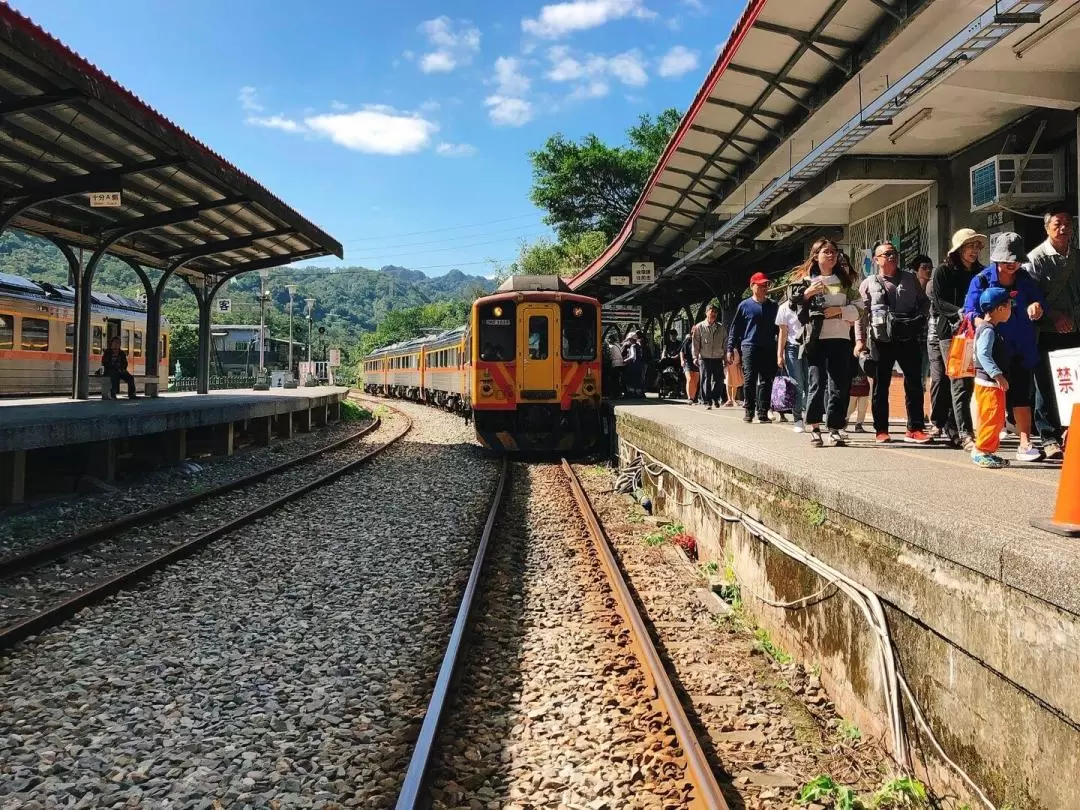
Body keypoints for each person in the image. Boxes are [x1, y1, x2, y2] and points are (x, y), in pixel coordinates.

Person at [963, 232, 1047, 462]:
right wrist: (983, 324)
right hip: (995, 350)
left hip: (1021, 345)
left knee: (1021, 394)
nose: (1012, 265)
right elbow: (968, 311)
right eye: (1007, 260)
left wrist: (1036, 306)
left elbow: (1038, 301)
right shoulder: (980, 280)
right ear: (997, 259)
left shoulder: (1026, 279)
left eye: (1016, 260)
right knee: (990, 402)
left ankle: (1025, 442)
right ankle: (983, 446)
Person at [855, 240, 931, 444]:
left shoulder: (910, 278)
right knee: (881, 385)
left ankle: (915, 428)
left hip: (908, 337)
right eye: (886, 254)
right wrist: (860, 341)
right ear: (876, 260)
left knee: (914, 382)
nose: (891, 257)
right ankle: (881, 429)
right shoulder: (868, 283)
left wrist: (921, 318)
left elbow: (924, 302)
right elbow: (860, 315)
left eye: (893, 253)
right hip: (881, 339)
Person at [789, 239, 861, 447]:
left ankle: (835, 428)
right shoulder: (805, 280)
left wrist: (840, 311)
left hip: (840, 337)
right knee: (816, 383)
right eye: (826, 252)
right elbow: (794, 308)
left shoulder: (845, 282)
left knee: (838, 384)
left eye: (834, 252)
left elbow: (860, 308)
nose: (831, 255)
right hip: (815, 338)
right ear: (816, 256)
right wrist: (807, 293)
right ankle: (814, 426)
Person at [1027, 209, 1080, 460]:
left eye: (1068, 223)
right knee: (1047, 383)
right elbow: (1031, 297)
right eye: (1058, 224)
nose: (1064, 228)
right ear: (1047, 228)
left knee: (1075, 383)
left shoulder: (1077, 256)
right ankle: (1048, 436)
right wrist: (1054, 316)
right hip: (1047, 331)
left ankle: (1073, 432)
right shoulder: (1036, 258)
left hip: (1076, 329)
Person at [930, 230, 985, 451]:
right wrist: (961, 312)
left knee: (970, 382)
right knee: (959, 381)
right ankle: (965, 434)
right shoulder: (943, 271)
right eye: (970, 246)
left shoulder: (982, 273)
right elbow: (939, 302)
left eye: (977, 246)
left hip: (978, 331)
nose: (974, 250)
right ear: (959, 248)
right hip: (952, 333)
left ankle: (953, 427)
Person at [971, 287, 1015, 469]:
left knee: (995, 418)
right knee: (991, 417)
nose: (1011, 308)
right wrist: (998, 375)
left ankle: (987, 450)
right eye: (1009, 305)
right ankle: (981, 451)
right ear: (999, 309)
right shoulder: (988, 330)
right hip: (989, 384)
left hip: (988, 383)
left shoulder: (987, 328)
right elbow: (983, 355)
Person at [727, 272, 779, 423]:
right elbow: (735, 329)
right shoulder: (744, 305)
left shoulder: (773, 306)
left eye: (766, 285)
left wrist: (781, 347)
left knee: (766, 380)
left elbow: (779, 328)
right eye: (761, 285)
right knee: (750, 379)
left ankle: (763, 411)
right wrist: (730, 348)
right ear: (752, 286)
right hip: (750, 346)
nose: (764, 288)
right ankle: (749, 410)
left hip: (768, 346)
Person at [775, 294, 806, 432]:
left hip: (811, 346)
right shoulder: (784, 307)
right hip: (793, 347)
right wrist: (779, 354)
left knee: (811, 384)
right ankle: (798, 419)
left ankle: (811, 416)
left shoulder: (811, 303)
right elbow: (783, 332)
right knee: (797, 383)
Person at [693, 304, 728, 409]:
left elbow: (725, 342)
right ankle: (707, 400)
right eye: (711, 311)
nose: (713, 314)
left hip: (718, 357)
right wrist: (695, 356)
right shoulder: (699, 327)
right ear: (706, 312)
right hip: (704, 357)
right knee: (705, 379)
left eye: (715, 312)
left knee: (719, 380)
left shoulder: (721, 328)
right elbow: (695, 343)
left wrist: (725, 357)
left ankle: (715, 398)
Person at [680, 328, 699, 404]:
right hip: (688, 362)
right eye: (694, 332)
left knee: (695, 382)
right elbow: (681, 351)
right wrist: (682, 360)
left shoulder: (700, 341)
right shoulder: (688, 340)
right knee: (690, 379)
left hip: (697, 362)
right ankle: (689, 397)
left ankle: (693, 397)